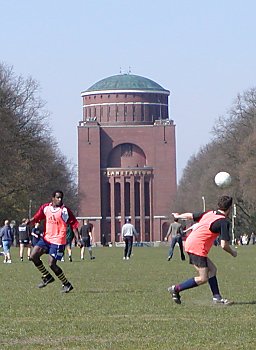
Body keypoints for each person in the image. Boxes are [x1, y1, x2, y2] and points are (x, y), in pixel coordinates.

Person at [168, 195, 237, 305]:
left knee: (212, 270)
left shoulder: (210, 213)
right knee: (203, 278)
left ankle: (217, 298)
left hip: (192, 243)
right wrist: (233, 252)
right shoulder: (224, 222)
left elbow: (190, 216)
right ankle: (176, 289)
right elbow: (224, 245)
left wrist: (178, 215)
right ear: (229, 208)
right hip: (197, 247)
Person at [26, 190, 81, 293]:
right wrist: (30, 221)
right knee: (33, 256)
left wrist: (78, 239)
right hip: (47, 239)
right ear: (53, 198)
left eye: (61, 198)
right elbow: (38, 216)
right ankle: (47, 277)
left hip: (58, 240)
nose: (59, 200)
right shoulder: (46, 207)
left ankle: (67, 284)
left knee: (52, 264)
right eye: (57, 197)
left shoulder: (64, 211)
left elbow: (74, 224)